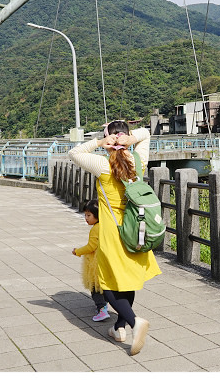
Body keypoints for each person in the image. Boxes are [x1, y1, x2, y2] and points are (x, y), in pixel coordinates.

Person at [68, 120, 160, 356]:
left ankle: (133, 321)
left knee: (107, 284)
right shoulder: (138, 161)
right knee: (127, 280)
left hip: (112, 232)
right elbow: (147, 134)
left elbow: (74, 152)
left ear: (109, 140)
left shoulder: (101, 164)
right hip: (135, 229)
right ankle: (119, 329)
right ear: (127, 138)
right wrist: (130, 139)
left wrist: (99, 142)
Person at [72, 198, 110, 322]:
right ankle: (105, 305)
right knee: (104, 286)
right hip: (107, 260)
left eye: (89, 215)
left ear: (97, 215)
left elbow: (91, 247)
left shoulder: (95, 229)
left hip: (96, 263)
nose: (86, 218)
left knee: (95, 287)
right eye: (85, 215)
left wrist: (78, 251)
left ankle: (102, 309)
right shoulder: (106, 225)